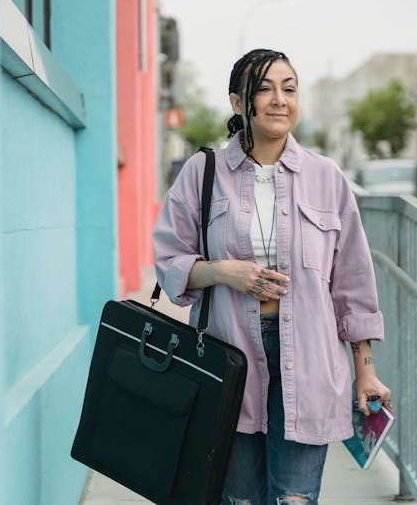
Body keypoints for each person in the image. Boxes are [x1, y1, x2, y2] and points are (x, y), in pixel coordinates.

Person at [152, 48, 391, 505]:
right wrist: (223, 272)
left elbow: (353, 285)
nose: (279, 99)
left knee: (295, 499)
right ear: (238, 102)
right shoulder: (202, 174)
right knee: (240, 499)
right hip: (229, 355)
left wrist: (366, 373)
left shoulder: (327, 178)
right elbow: (168, 256)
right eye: (264, 89)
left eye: (289, 88)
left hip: (311, 357)